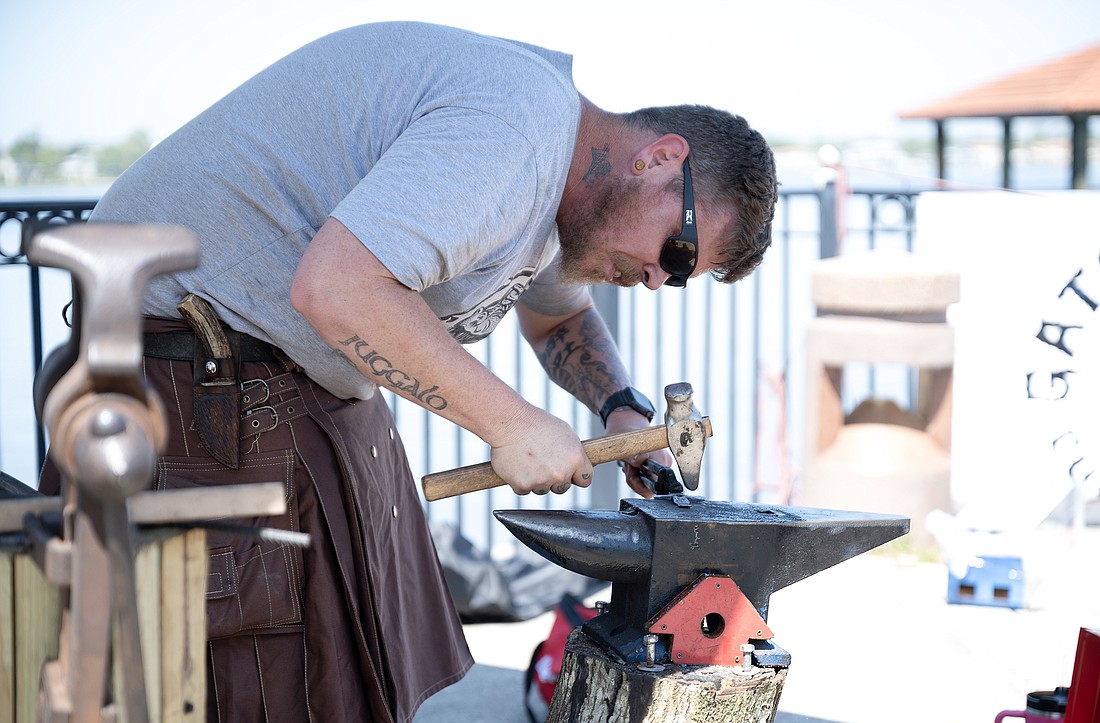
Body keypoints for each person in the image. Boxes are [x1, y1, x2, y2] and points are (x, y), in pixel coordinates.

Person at [40, 20, 777, 723]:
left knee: (351, 688)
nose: (657, 280)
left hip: (280, 387)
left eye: (679, 278)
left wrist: (621, 408)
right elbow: (337, 289)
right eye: (676, 252)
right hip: (193, 392)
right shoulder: (517, 132)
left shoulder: (556, 187)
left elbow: (558, 317)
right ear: (659, 159)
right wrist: (512, 424)